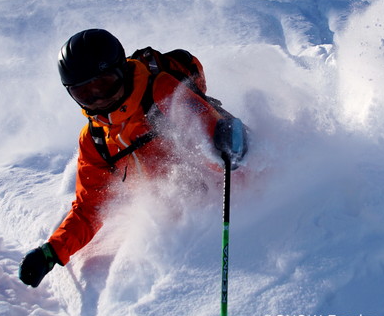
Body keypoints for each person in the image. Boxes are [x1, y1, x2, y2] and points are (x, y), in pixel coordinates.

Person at [19, 28, 247, 288]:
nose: (100, 99)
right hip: (174, 226)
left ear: (122, 71)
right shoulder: (95, 138)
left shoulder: (161, 91)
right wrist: (52, 252)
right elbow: (89, 208)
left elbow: (212, 141)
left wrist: (228, 147)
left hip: (223, 206)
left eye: (105, 84)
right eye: (85, 93)